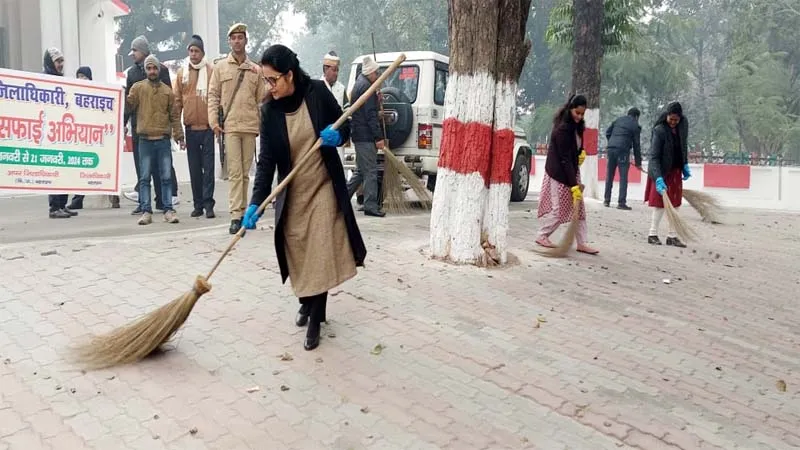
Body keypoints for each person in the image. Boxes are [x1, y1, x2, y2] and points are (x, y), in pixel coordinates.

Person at [242, 44, 367, 351]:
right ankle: (308, 301)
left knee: (319, 248)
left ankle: (316, 318)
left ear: (289, 75)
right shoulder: (269, 111)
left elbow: (345, 123)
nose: (269, 87)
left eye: (273, 80)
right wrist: (256, 202)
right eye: (266, 81)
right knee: (298, 248)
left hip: (323, 184)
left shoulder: (316, 93)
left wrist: (338, 136)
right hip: (294, 190)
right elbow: (267, 162)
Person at [208, 23, 267, 234]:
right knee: (234, 172)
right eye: (233, 38)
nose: (237, 41)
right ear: (229, 41)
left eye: (240, 37)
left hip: (250, 125)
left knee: (244, 173)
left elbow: (263, 100)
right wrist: (214, 121)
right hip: (230, 126)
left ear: (246, 40)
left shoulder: (256, 70)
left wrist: (264, 125)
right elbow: (213, 96)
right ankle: (235, 215)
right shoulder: (220, 67)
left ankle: (244, 213)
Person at [535, 94, 599, 255]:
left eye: (582, 114)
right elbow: (564, 159)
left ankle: (582, 242)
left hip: (572, 172)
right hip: (559, 174)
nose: (579, 116)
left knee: (579, 209)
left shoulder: (578, 127)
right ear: (570, 109)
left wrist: (580, 153)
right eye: (577, 113)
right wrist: (573, 186)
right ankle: (542, 235)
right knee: (559, 210)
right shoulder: (563, 129)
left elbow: (574, 151)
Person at [123, 35, 180, 215]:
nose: (133, 54)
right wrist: (123, 122)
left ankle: (164, 202)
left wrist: (177, 133)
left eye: (136, 51)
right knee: (143, 171)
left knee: (162, 171)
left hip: (160, 129)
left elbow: (171, 104)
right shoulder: (132, 75)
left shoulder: (162, 71)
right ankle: (143, 203)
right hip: (141, 128)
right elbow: (128, 104)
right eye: (149, 69)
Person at [174, 34, 216, 219]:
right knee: (194, 170)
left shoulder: (211, 70)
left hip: (207, 128)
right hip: (190, 129)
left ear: (202, 52)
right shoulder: (182, 73)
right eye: (190, 51)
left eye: (196, 51)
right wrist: (178, 132)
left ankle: (208, 204)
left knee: (208, 169)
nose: (193, 54)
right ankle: (197, 204)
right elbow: (177, 102)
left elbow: (216, 98)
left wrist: (217, 124)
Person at [68, 66, 121, 211]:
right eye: (78, 76)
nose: (81, 79)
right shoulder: (74, 94)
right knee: (81, 169)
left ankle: (113, 196)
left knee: (103, 169)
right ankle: (78, 199)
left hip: (97, 137)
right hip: (82, 136)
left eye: (83, 76)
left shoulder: (98, 93)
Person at [645, 101, 691, 247]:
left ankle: (672, 236)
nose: (673, 122)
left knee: (675, 203)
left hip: (676, 170)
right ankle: (652, 234)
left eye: (676, 120)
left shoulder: (683, 125)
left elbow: (683, 145)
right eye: (671, 119)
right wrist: (658, 178)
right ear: (667, 115)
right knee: (660, 203)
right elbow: (654, 157)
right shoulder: (659, 130)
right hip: (661, 171)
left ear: (680, 118)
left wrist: (684, 163)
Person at [345, 56, 385, 217]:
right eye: (376, 73)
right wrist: (378, 137)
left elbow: (367, 111)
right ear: (370, 73)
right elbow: (369, 116)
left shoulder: (359, 84)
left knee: (361, 171)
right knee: (370, 172)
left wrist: (377, 102)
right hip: (366, 136)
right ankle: (370, 206)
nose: (377, 75)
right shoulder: (367, 88)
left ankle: (342, 198)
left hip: (359, 134)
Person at [42, 48, 76, 219]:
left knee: (64, 169)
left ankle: (62, 204)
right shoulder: (44, 80)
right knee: (54, 170)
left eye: (62, 61)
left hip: (63, 131)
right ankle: (54, 207)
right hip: (50, 133)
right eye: (58, 61)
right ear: (50, 62)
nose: (61, 65)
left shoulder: (61, 80)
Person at [603, 107, 642, 210]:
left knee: (609, 175)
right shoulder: (635, 125)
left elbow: (607, 132)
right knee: (623, 177)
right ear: (637, 117)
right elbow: (637, 145)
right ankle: (621, 203)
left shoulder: (618, 120)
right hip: (623, 151)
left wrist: (612, 142)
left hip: (611, 149)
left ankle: (606, 200)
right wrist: (638, 163)